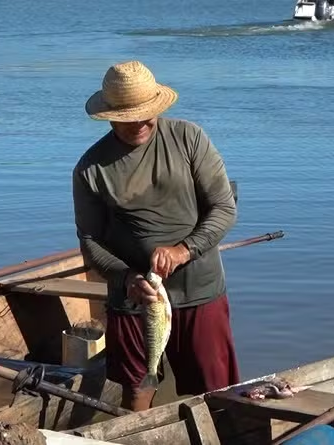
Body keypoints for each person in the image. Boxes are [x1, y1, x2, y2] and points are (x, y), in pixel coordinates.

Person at [71, 60, 240, 411]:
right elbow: (90, 241)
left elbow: (224, 208)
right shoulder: (91, 168)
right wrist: (125, 277)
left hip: (200, 288)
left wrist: (184, 250)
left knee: (217, 392)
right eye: (129, 116)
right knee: (136, 389)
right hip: (134, 298)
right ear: (110, 115)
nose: (140, 123)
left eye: (147, 113)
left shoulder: (189, 138)